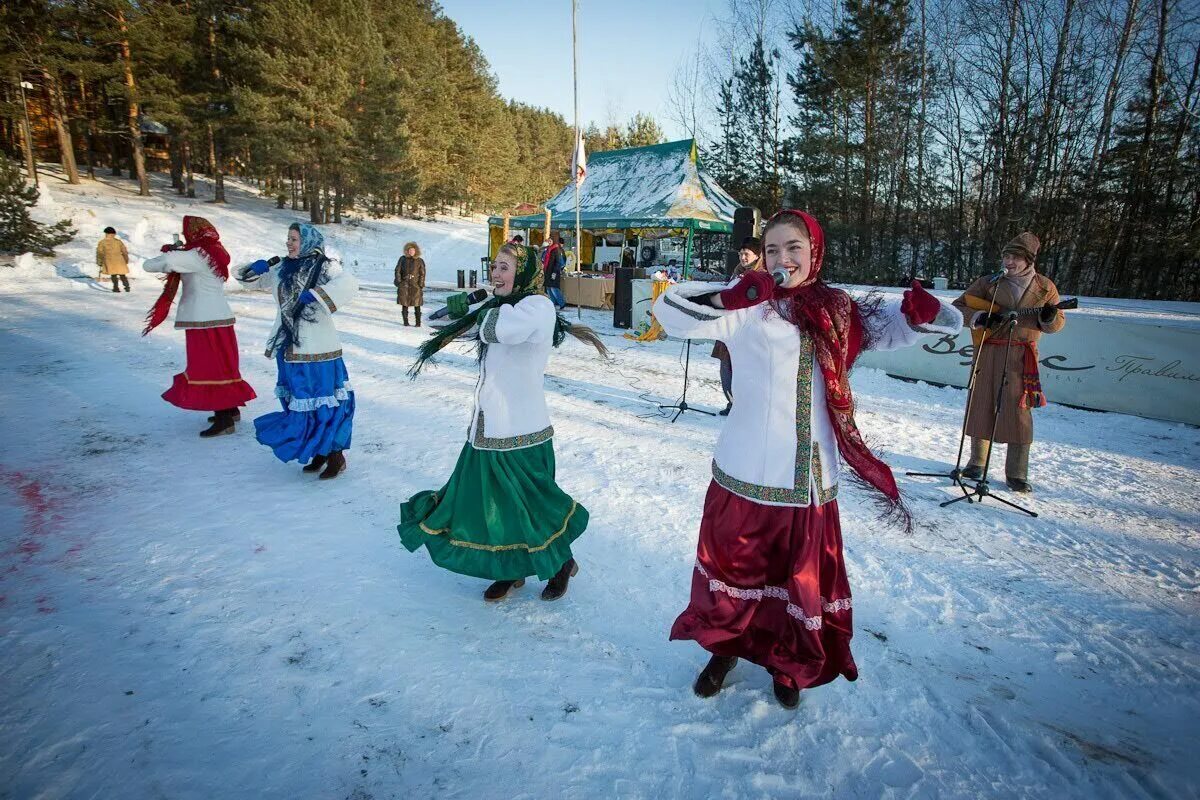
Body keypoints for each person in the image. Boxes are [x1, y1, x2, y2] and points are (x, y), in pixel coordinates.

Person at [653, 209, 962, 709]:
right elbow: (670, 314)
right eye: (772, 249)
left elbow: (907, 326)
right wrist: (731, 295)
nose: (782, 259)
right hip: (746, 470)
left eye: (793, 247)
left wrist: (924, 310)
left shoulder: (838, 308)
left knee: (797, 580)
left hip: (812, 477)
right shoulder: (749, 305)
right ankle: (725, 650)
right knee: (736, 570)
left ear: (814, 250)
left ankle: (788, 663)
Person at [398, 242, 608, 602]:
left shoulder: (537, 307)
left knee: (532, 507)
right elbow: (436, 323)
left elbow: (500, 330)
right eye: (493, 267)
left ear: (524, 273)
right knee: (492, 509)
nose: (495, 274)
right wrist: (463, 304)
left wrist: (481, 306)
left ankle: (561, 563)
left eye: (504, 268)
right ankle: (510, 570)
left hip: (522, 430)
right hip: (486, 427)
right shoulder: (499, 307)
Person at [238, 223, 359, 480]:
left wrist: (318, 295)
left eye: (294, 239)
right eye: (288, 239)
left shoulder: (326, 266)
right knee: (300, 402)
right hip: (289, 347)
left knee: (325, 401)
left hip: (320, 349)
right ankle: (319, 451)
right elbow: (247, 281)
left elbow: (349, 284)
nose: (289, 243)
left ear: (307, 241)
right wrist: (252, 269)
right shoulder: (281, 267)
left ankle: (335, 455)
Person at [952, 232, 1065, 493]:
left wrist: (1049, 318)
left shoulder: (1046, 287)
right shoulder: (988, 282)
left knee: (1018, 412)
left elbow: (1056, 325)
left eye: (1015, 257)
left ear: (1028, 260)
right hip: (989, 350)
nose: (1009, 261)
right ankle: (976, 463)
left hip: (1020, 356)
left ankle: (1017, 473)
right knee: (981, 405)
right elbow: (959, 306)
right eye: (1006, 256)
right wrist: (980, 317)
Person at [141, 216, 256, 436]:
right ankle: (230, 409)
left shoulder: (194, 255)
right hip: (220, 317)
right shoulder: (214, 251)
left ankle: (224, 419)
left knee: (208, 368)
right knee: (223, 365)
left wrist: (170, 252)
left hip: (203, 320)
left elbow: (150, 265)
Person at [712, 236, 762, 415]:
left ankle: (745, 407)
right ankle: (732, 403)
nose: (742, 257)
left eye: (746, 254)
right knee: (726, 370)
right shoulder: (737, 271)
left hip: (748, 332)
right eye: (741, 254)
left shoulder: (762, 276)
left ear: (757, 256)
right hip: (729, 330)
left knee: (744, 371)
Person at [394, 241, 427, 327]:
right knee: (405, 303)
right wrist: (399, 281)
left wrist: (420, 284)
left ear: (416, 251)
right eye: (409, 250)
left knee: (417, 304)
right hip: (404, 285)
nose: (411, 252)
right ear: (407, 251)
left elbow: (422, 273)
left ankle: (418, 323)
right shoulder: (402, 259)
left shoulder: (419, 261)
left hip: (415, 285)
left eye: (413, 250)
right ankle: (405, 322)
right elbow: (397, 270)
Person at [96, 226, 130, 292]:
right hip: (120, 261)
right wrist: (126, 260)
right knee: (122, 275)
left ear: (106, 233)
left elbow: (99, 253)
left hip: (109, 261)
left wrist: (99, 262)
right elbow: (124, 251)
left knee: (113, 275)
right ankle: (127, 287)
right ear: (114, 234)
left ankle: (116, 288)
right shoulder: (118, 242)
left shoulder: (102, 242)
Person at [542, 235, 566, 310]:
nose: (549, 242)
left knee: (554, 288)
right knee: (549, 288)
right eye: (548, 241)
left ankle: (562, 303)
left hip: (553, 272)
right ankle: (552, 303)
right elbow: (543, 259)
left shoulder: (556, 250)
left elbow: (558, 263)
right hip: (548, 271)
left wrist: (554, 273)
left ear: (554, 241)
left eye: (550, 241)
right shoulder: (548, 249)